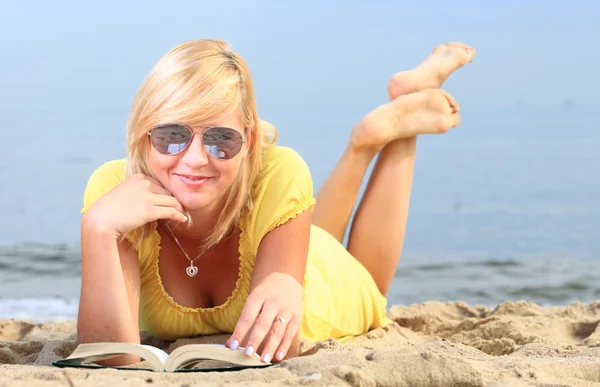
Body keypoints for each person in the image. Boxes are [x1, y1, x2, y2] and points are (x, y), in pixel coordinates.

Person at [78, 39, 475, 365]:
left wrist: (286, 282)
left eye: (220, 139)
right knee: (317, 237)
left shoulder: (279, 171)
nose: (196, 158)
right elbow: (111, 358)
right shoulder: (112, 194)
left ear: (248, 140)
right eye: (171, 135)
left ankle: (401, 129)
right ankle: (366, 139)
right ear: (143, 132)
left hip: (321, 288)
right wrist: (97, 230)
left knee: (370, 281)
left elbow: (279, 345)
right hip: (292, 237)